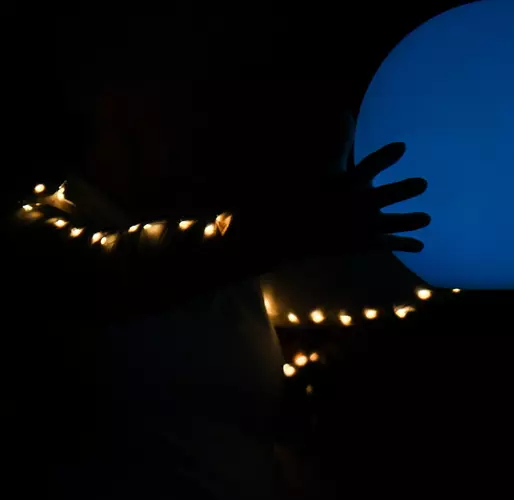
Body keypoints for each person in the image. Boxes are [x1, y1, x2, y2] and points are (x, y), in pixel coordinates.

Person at [3, 20, 430, 500]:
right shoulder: (31, 233)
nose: (204, 125)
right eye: (175, 104)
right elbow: (110, 272)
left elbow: (345, 297)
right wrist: (301, 225)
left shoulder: (230, 265)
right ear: (112, 113)